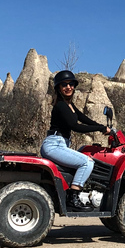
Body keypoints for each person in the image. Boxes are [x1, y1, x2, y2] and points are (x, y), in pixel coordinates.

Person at [41, 70, 111, 211]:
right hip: (54, 145)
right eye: (64, 85)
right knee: (86, 162)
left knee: (85, 157)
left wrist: (103, 127)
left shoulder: (70, 106)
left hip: (60, 144)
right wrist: (99, 129)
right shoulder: (60, 106)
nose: (68, 87)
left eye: (71, 84)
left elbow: (84, 119)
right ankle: (73, 198)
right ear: (58, 88)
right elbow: (75, 126)